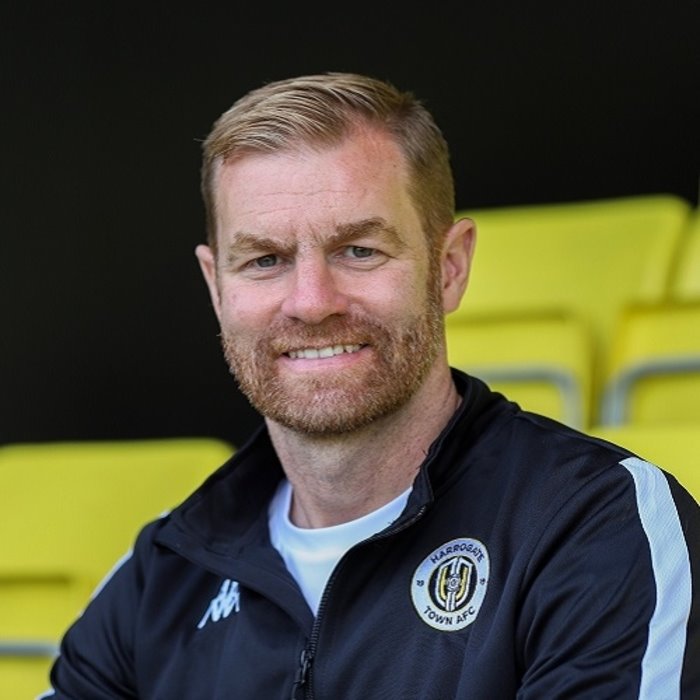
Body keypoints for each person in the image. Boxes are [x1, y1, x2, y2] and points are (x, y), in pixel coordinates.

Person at [44, 72, 699, 699]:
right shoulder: (164, 572)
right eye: (265, 260)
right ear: (217, 287)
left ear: (449, 267)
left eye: (359, 250)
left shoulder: (595, 524)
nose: (311, 302)